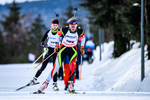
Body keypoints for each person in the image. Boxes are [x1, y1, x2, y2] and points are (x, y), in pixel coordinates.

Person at [35, 17, 86, 93]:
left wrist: (82, 47)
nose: (73, 27)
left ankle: (71, 85)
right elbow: (58, 36)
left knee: (72, 68)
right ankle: (45, 84)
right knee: (55, 68)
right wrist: (57, 45)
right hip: (63, 49)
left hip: (73, 50)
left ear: (76, 25)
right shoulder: (64, 30)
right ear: (69, 25)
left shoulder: (80, 31)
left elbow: (83, 37)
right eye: (71, 25)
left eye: (74, 26)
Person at [28, 19, 60, 91]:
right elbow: (42, 41)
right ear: (51, 25)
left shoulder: (60, 32)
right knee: (43, 66)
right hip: (49, 49)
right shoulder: (48, 32)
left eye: (56, 25)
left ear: (58, 26)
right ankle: (34, 79)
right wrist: (44, 47)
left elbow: (63, 40)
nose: (54, 27)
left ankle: (55, 84)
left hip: (56, 50)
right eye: (53, 25)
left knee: (54, 68)